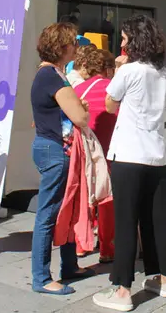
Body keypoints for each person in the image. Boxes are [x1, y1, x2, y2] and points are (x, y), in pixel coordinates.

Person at [92, 15, 166, 312]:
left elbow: (109, 104)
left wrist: (118, 69)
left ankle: (122, 290)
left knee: (126, 221)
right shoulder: (164, 74)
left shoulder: (129, 70)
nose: (123, 43)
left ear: (136, 41)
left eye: (126, 38)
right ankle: (164, 280)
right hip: (156, 154)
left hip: (129, 154)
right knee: (159, 219)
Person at [30, 22, 93, 295]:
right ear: (62, 47)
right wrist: (82, 110)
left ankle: (69, 265)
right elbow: (79, 117)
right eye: (73, 43)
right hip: (55, 150)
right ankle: (42, 277)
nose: (76, 48)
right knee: (48, 214)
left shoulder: (49, 74)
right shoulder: (52, 76)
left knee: (65, 208)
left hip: (51, 147)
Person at [73, 49, 117, 263]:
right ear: (107, 69)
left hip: (84, 148)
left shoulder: (78, 89)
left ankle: (81, 244)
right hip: (108, 149)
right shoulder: (113, 89)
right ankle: (107, 248)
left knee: (84, 194)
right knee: (106, 197)